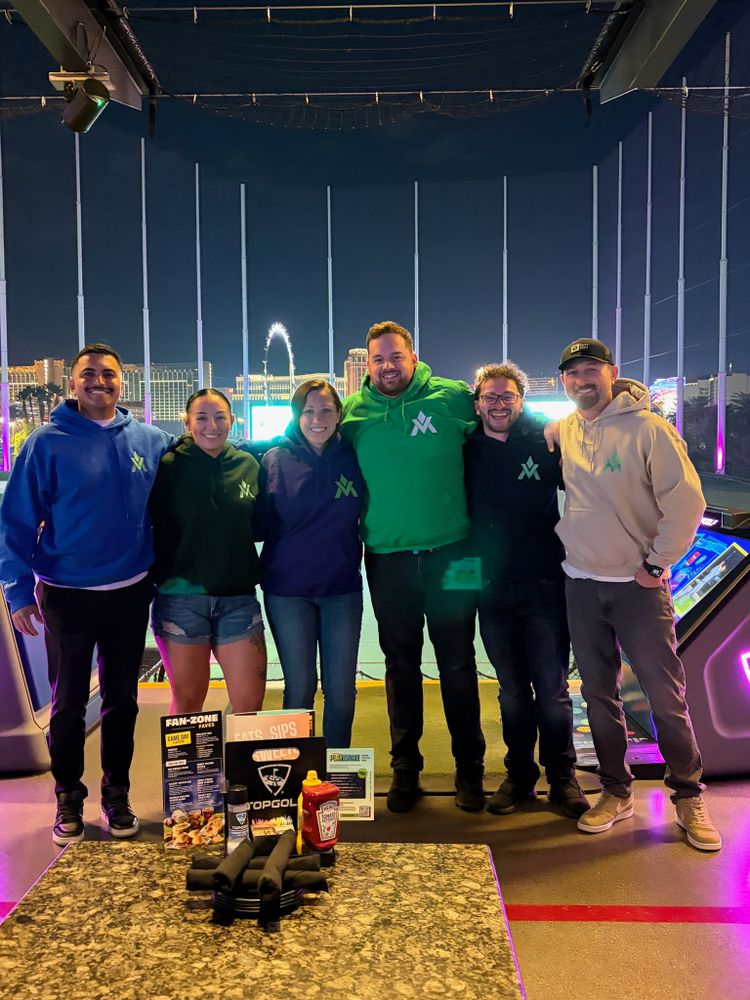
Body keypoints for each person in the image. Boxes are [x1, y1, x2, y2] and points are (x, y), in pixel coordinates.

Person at [0, 343, 172, 846]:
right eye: (88, 374)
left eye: (109, 374)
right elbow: (15, 523)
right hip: (67, 595)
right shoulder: (46, 444)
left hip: (130, 592)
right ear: (72, 384)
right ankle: (68, 797)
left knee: (123, 700)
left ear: (124, 382)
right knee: (69, 702)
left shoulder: (150, 439)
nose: (100, 381)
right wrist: (17, 592)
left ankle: (115, 795)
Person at [555, 337, 721, 850]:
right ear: (563, 381)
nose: (582, 380)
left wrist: (656, 563)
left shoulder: (649, 430)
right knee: (599, 695)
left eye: (591, 370)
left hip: (637, 587)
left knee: (664, 697)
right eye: (573, 373)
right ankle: (615, 789)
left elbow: (687, 501)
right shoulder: (563, 429)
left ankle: (689, 794)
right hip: (582, 583)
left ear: (611, 373)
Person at [340, 320, 485, 813]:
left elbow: (504, 415)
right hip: (388, 559)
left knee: (459, 665)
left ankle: (470, 771)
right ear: (368, 362)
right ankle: (406, 770)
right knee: (401, 667)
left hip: (453, 555)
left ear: (413, 356)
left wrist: (550, 426)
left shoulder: (451, 398)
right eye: (377, 359)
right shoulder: (353, 413)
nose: (387, 367)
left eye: (395, 357)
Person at [465, 362, 589, 819]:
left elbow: (593, 472)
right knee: (512, 691)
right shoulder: (466, 446)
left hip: (544, 583)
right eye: (490, 398)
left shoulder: (547, 437)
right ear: (477, 403)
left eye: (507, 397)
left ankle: (563, 777)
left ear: (522, 400)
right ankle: (519, 778)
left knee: (554, 690)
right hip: (493, 590)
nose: (498, 405)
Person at [254, 379, 364, 748]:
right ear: (297, 416)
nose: (318, 419)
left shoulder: (354, 455)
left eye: (326, 410)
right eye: (309, 411)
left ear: (339, 414)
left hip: (341, 590)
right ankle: (296, 778)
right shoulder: (273, 460)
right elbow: (256, 521)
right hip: (288, 592)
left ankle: (334, 782)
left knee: (341, 690)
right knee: (300, 687)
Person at [149, 389, 267, 716]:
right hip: (180, 600)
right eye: (201, 418)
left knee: (249, 704)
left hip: (238, 600)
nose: (211, 426)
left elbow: (260, 523)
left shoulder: (248, 464)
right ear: (186, 422)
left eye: (219, 417)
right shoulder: (167, 468)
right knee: (188, 704)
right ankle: (190, 771)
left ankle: (241, 770)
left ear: (231, 421)